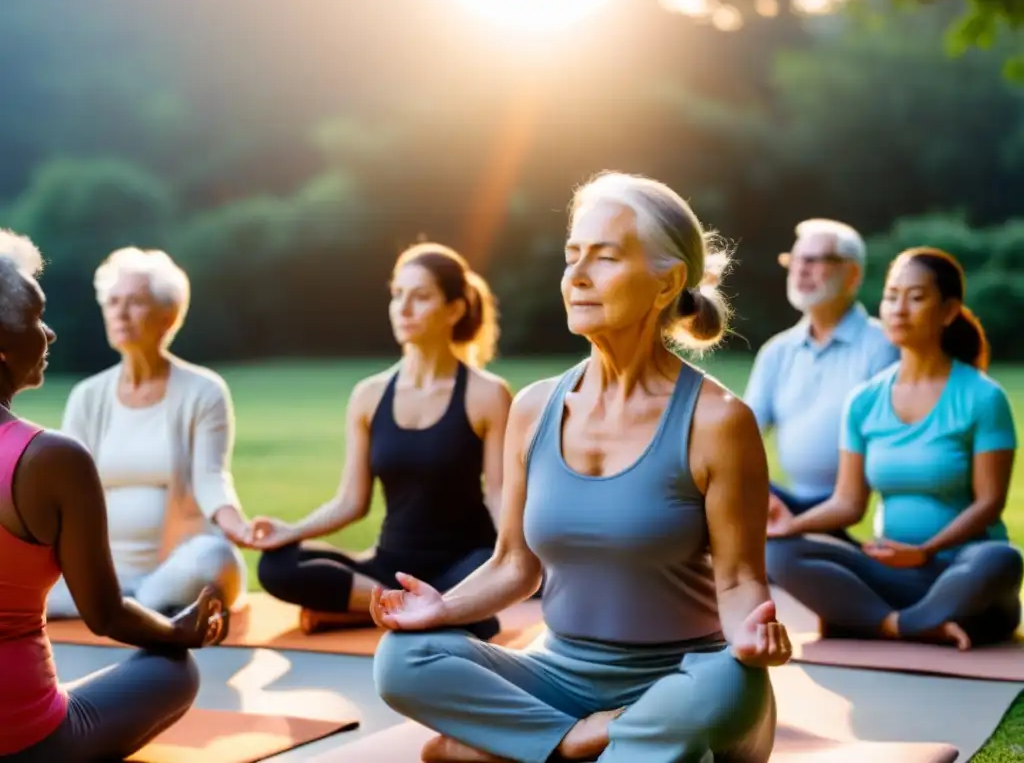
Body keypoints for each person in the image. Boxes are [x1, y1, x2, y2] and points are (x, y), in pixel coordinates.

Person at [370, 172, 791, 763]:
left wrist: (750, 636)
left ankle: (511, 748)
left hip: (679, 685)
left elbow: (740, 579)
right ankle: (577, 743)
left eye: (606, 258)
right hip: (559, 679)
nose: (578, 277)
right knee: (402, 659)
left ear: (667, 281)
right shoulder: (534, 408)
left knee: (729, 687)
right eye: (572, 258)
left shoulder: (719, 421)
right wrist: (443, 609)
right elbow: (514, 564)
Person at [0, 230, 226, 762]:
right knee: (171, 667)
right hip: (28, 742)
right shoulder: (51, 457)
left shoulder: (198, 390)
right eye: (36, 318)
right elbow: (105, 616)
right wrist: (175, 630)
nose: (50, 334)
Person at [767, 247, 1022, 650]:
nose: (899, 309)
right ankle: (909, 623)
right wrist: (790, 526)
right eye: (891, 296)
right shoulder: (864, 400)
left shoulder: (982, 398)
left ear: (949, 310)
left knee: (1002, 559)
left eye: (916, 297)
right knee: (778, 553)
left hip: (961, 568)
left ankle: (879, 620)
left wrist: (925, 551)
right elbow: (848, 504)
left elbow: (989, 504)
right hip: (891, 570)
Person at [252, 242, 512, 638]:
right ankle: (415, 607)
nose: (403, 309)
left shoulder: (487, 394)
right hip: (390, 563)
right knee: (276, 566)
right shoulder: (368, 396)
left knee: (479, 587)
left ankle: (388, 610)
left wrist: (517, 559)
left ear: (454, 310)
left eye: (420, 297)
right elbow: (351, 502)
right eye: (397, 295)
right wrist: (290, 531)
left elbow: (499, 494)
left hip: (465, 561)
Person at [46, 247, 250, 620]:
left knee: (214, 559)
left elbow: (211, 478)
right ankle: (135, 610)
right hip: (99, 574)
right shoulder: (87, 396)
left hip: (177, 569)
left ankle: (127, 608)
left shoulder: (204, 391)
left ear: (167, 317)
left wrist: (238, 525)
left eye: (135, 302)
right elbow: (66, 492)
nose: (120, 313)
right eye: (113, 301)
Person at [745, 219, 898, 545]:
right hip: (785, 501)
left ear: (853, 275)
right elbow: (742, 435)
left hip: (846, 509)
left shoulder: (884, 345)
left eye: (815, 260)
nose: (801, 269)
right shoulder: (777, 351)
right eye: (796, 259)